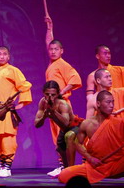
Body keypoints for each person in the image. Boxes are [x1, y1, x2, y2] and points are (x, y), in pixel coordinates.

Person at [0, 23, 32, 177]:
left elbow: (24, 86)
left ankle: (8, 167)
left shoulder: (13, 70)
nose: (1, 56)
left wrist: (21, 104)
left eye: (4, 54)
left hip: (6, 109)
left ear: (9, 56)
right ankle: (2, 165)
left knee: (7, 137)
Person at [45, 17, 82, 177]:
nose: (53, 51)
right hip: (53, 104)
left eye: (56, 49)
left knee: (64, 135)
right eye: (51, 49)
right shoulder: (52, 64)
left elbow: (75, 79)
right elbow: (49, 41)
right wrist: (49, 28)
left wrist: (61, 92)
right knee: (56, 136)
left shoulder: (63, 64)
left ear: (62, 51)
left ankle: (68, 166)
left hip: (62, 104)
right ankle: (62, 164)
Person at [35, 81, 83, 172]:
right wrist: (44, 117)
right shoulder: (42, 102)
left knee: (69, 137)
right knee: (59, 148)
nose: (50, 97)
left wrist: (53, 112)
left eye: (53, 94)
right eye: (47, 94)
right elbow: (37, 124)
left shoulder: (62, 104)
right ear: (43, 93)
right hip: (64, 130)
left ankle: (71, 170)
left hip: (75, 127)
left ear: (58, 93)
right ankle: (66, 170)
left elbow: (65, 123)